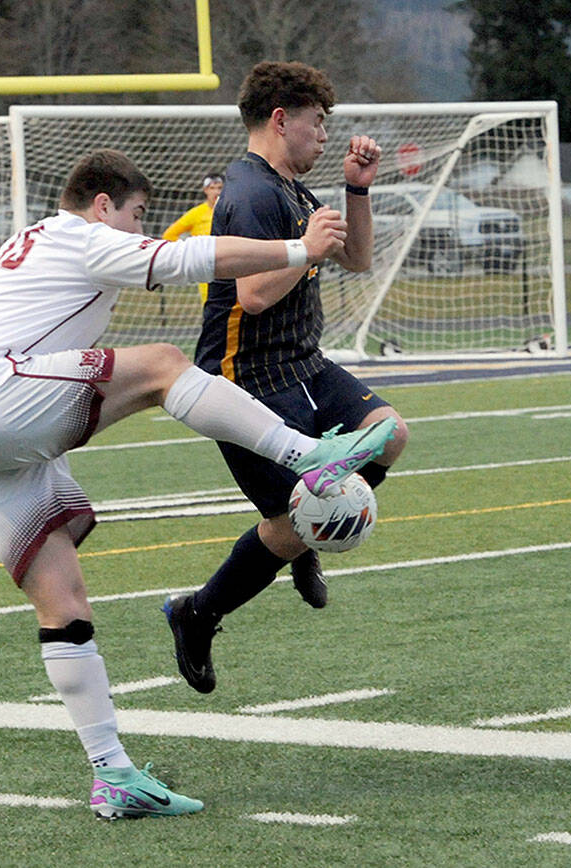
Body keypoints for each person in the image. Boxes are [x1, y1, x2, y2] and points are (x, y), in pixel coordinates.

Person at [0, 149, 399, 820]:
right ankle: (309, 458)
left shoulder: (27, 243)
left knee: (65, 603)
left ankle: (112, 776)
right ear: (101, 205)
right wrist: (296, 247)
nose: (144, 231)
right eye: (138, 216)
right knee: (164, 366)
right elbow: (182, 262)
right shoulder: (84, 237)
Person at [164, 61, 411, 694]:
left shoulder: (292, 190)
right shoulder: (250, 192)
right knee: (294, 520)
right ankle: (197, 613)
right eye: (317, 122)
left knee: (389, 434)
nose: (325, 136)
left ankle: (304, 538)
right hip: (243, 375)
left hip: (304, 363)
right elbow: (249, 296)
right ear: (281, 120)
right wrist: (305, 246)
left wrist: (357, 191)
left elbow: (356, 257)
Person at [161, 172, 225, 303]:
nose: (216, 192)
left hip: (229, 261)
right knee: (211, 304)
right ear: (205, 190)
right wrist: (188, 253)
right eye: (212, 188)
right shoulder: (196, 213)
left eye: (220, 188)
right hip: (207, 265)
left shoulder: (230, 210)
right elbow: (169, 234)